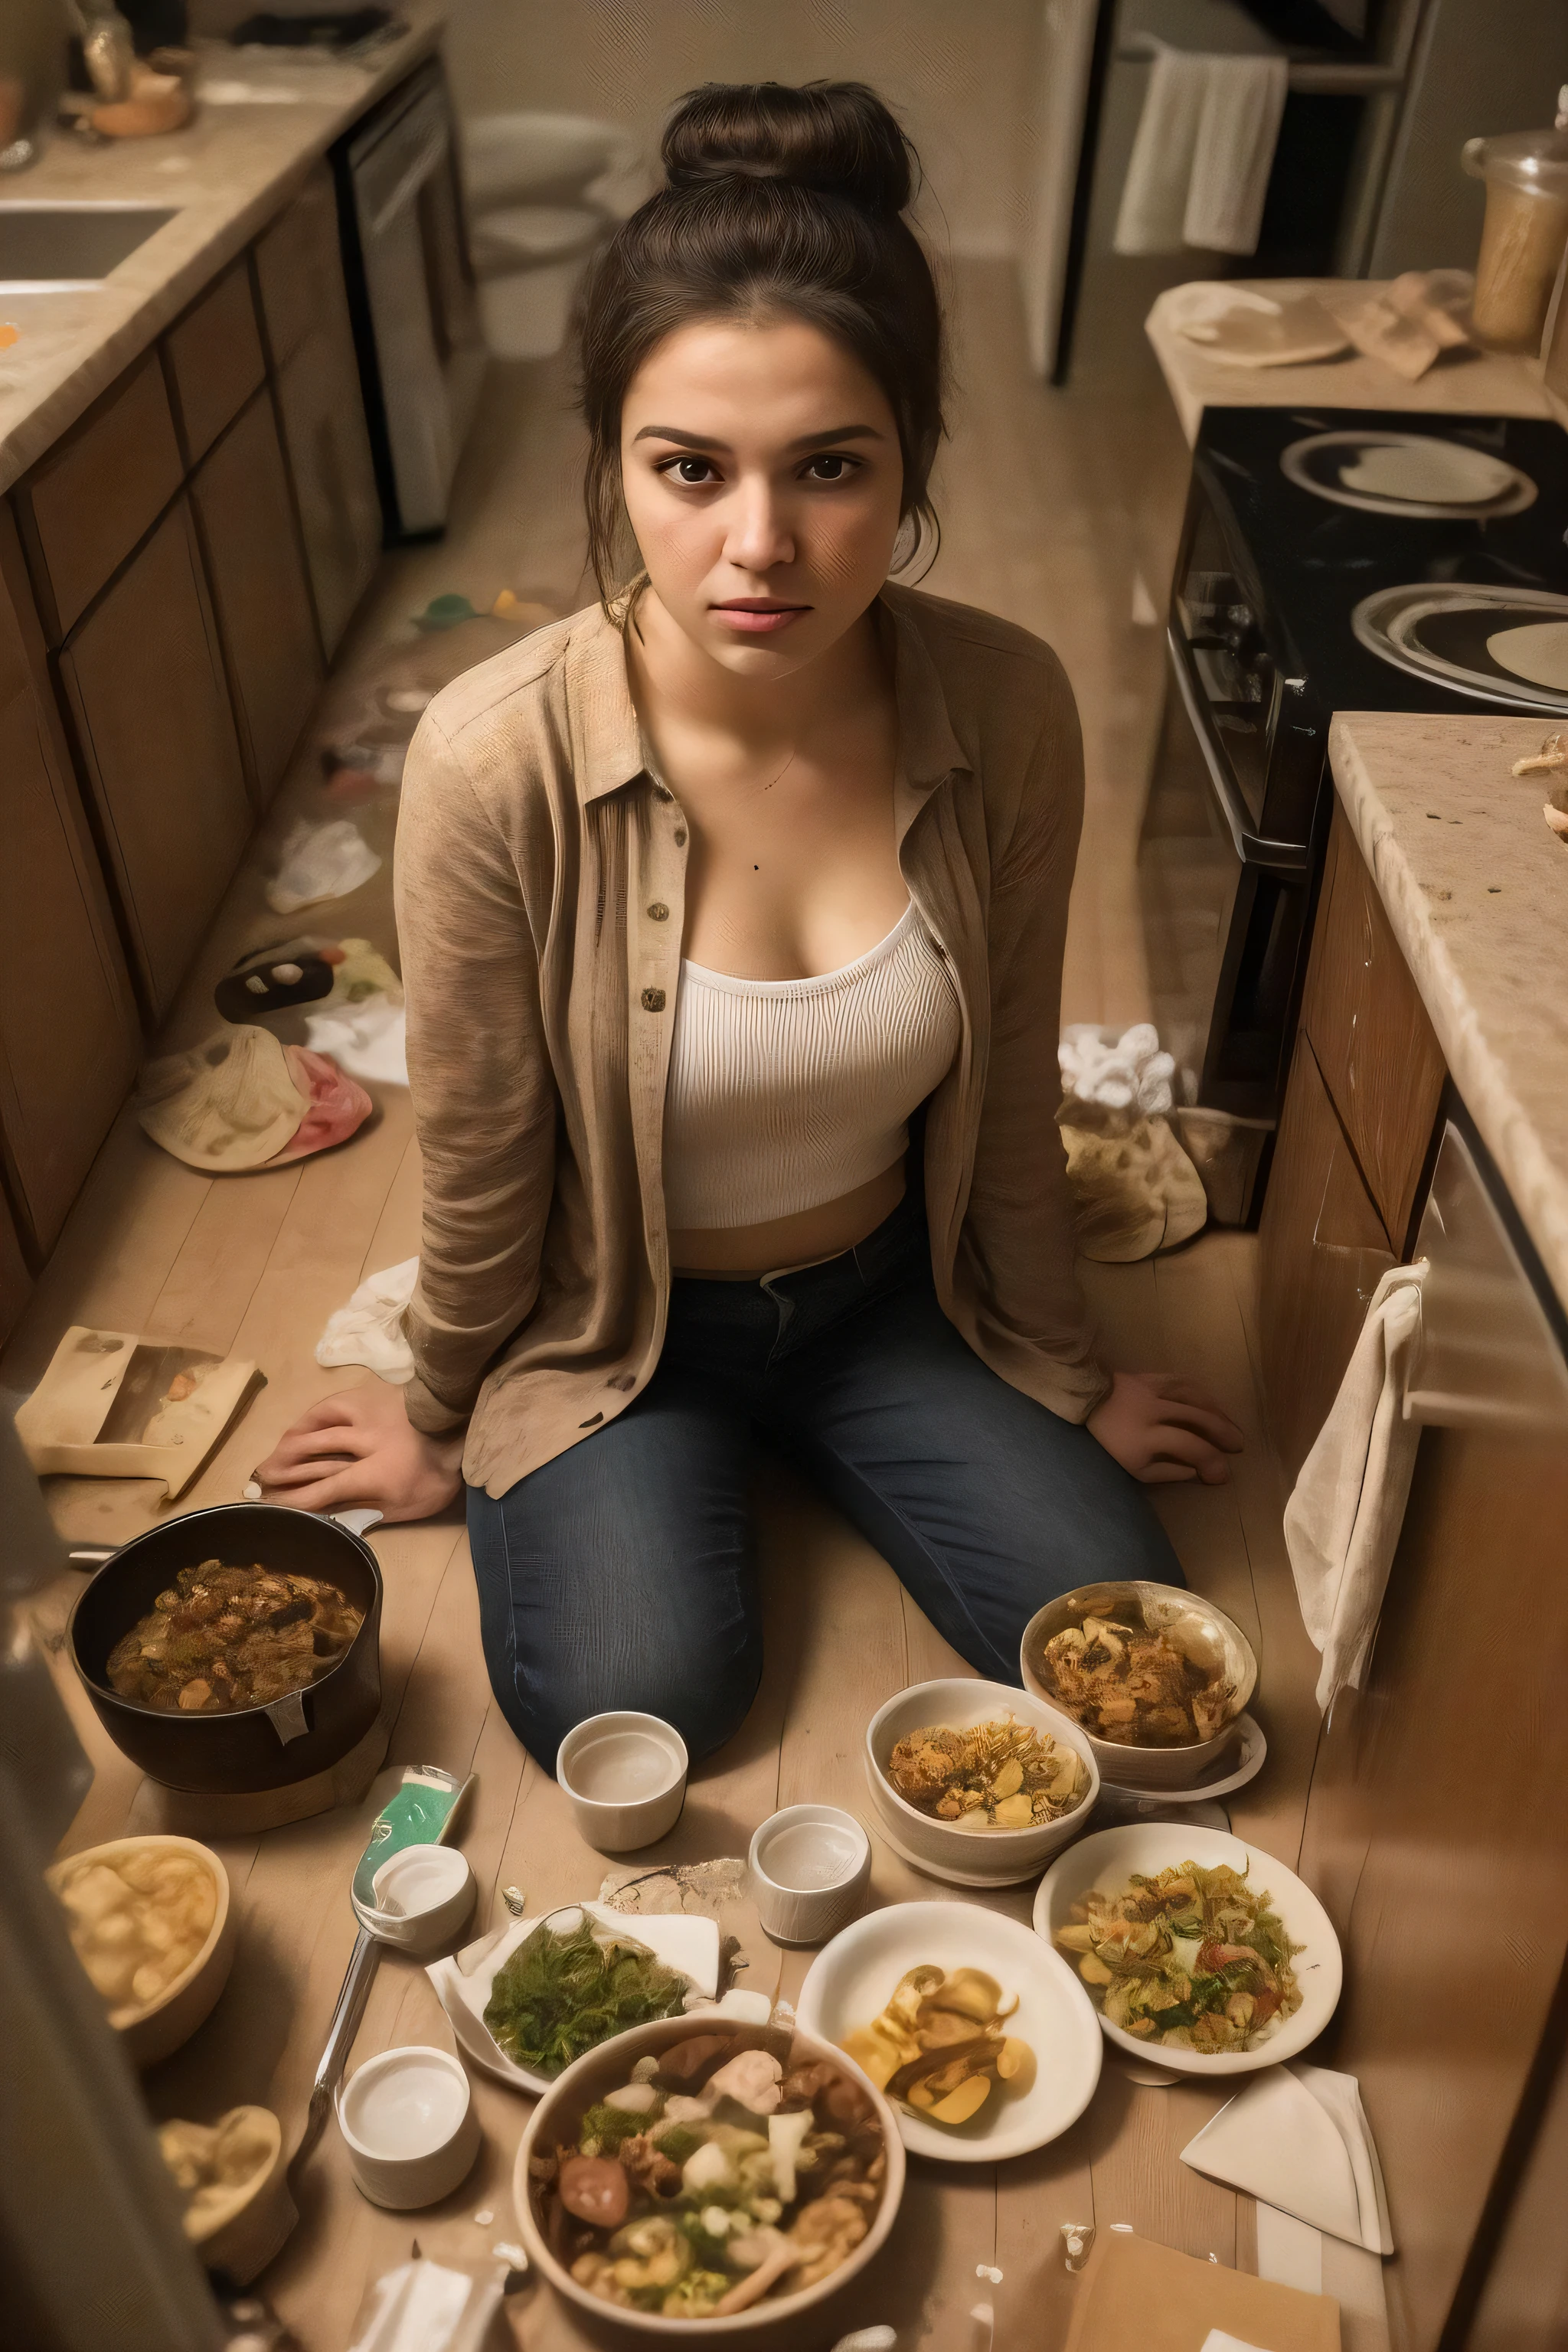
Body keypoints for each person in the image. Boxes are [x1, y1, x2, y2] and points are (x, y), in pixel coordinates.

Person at [254, 80, 1243, 1768]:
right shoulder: (497, 759)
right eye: (689, 470)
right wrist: (440, 1416)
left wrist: (1065, 1372)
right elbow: (481, 1153)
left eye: (832, 470)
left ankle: (847, 1437)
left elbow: (1006, 1082)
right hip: (615, 1324)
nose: (759, 545)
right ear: (614, 461)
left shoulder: (1003, 704)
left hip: (890, 1290)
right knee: (640, 1704)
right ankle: (679, 1462)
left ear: (910, 460)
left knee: (1118, 1643)